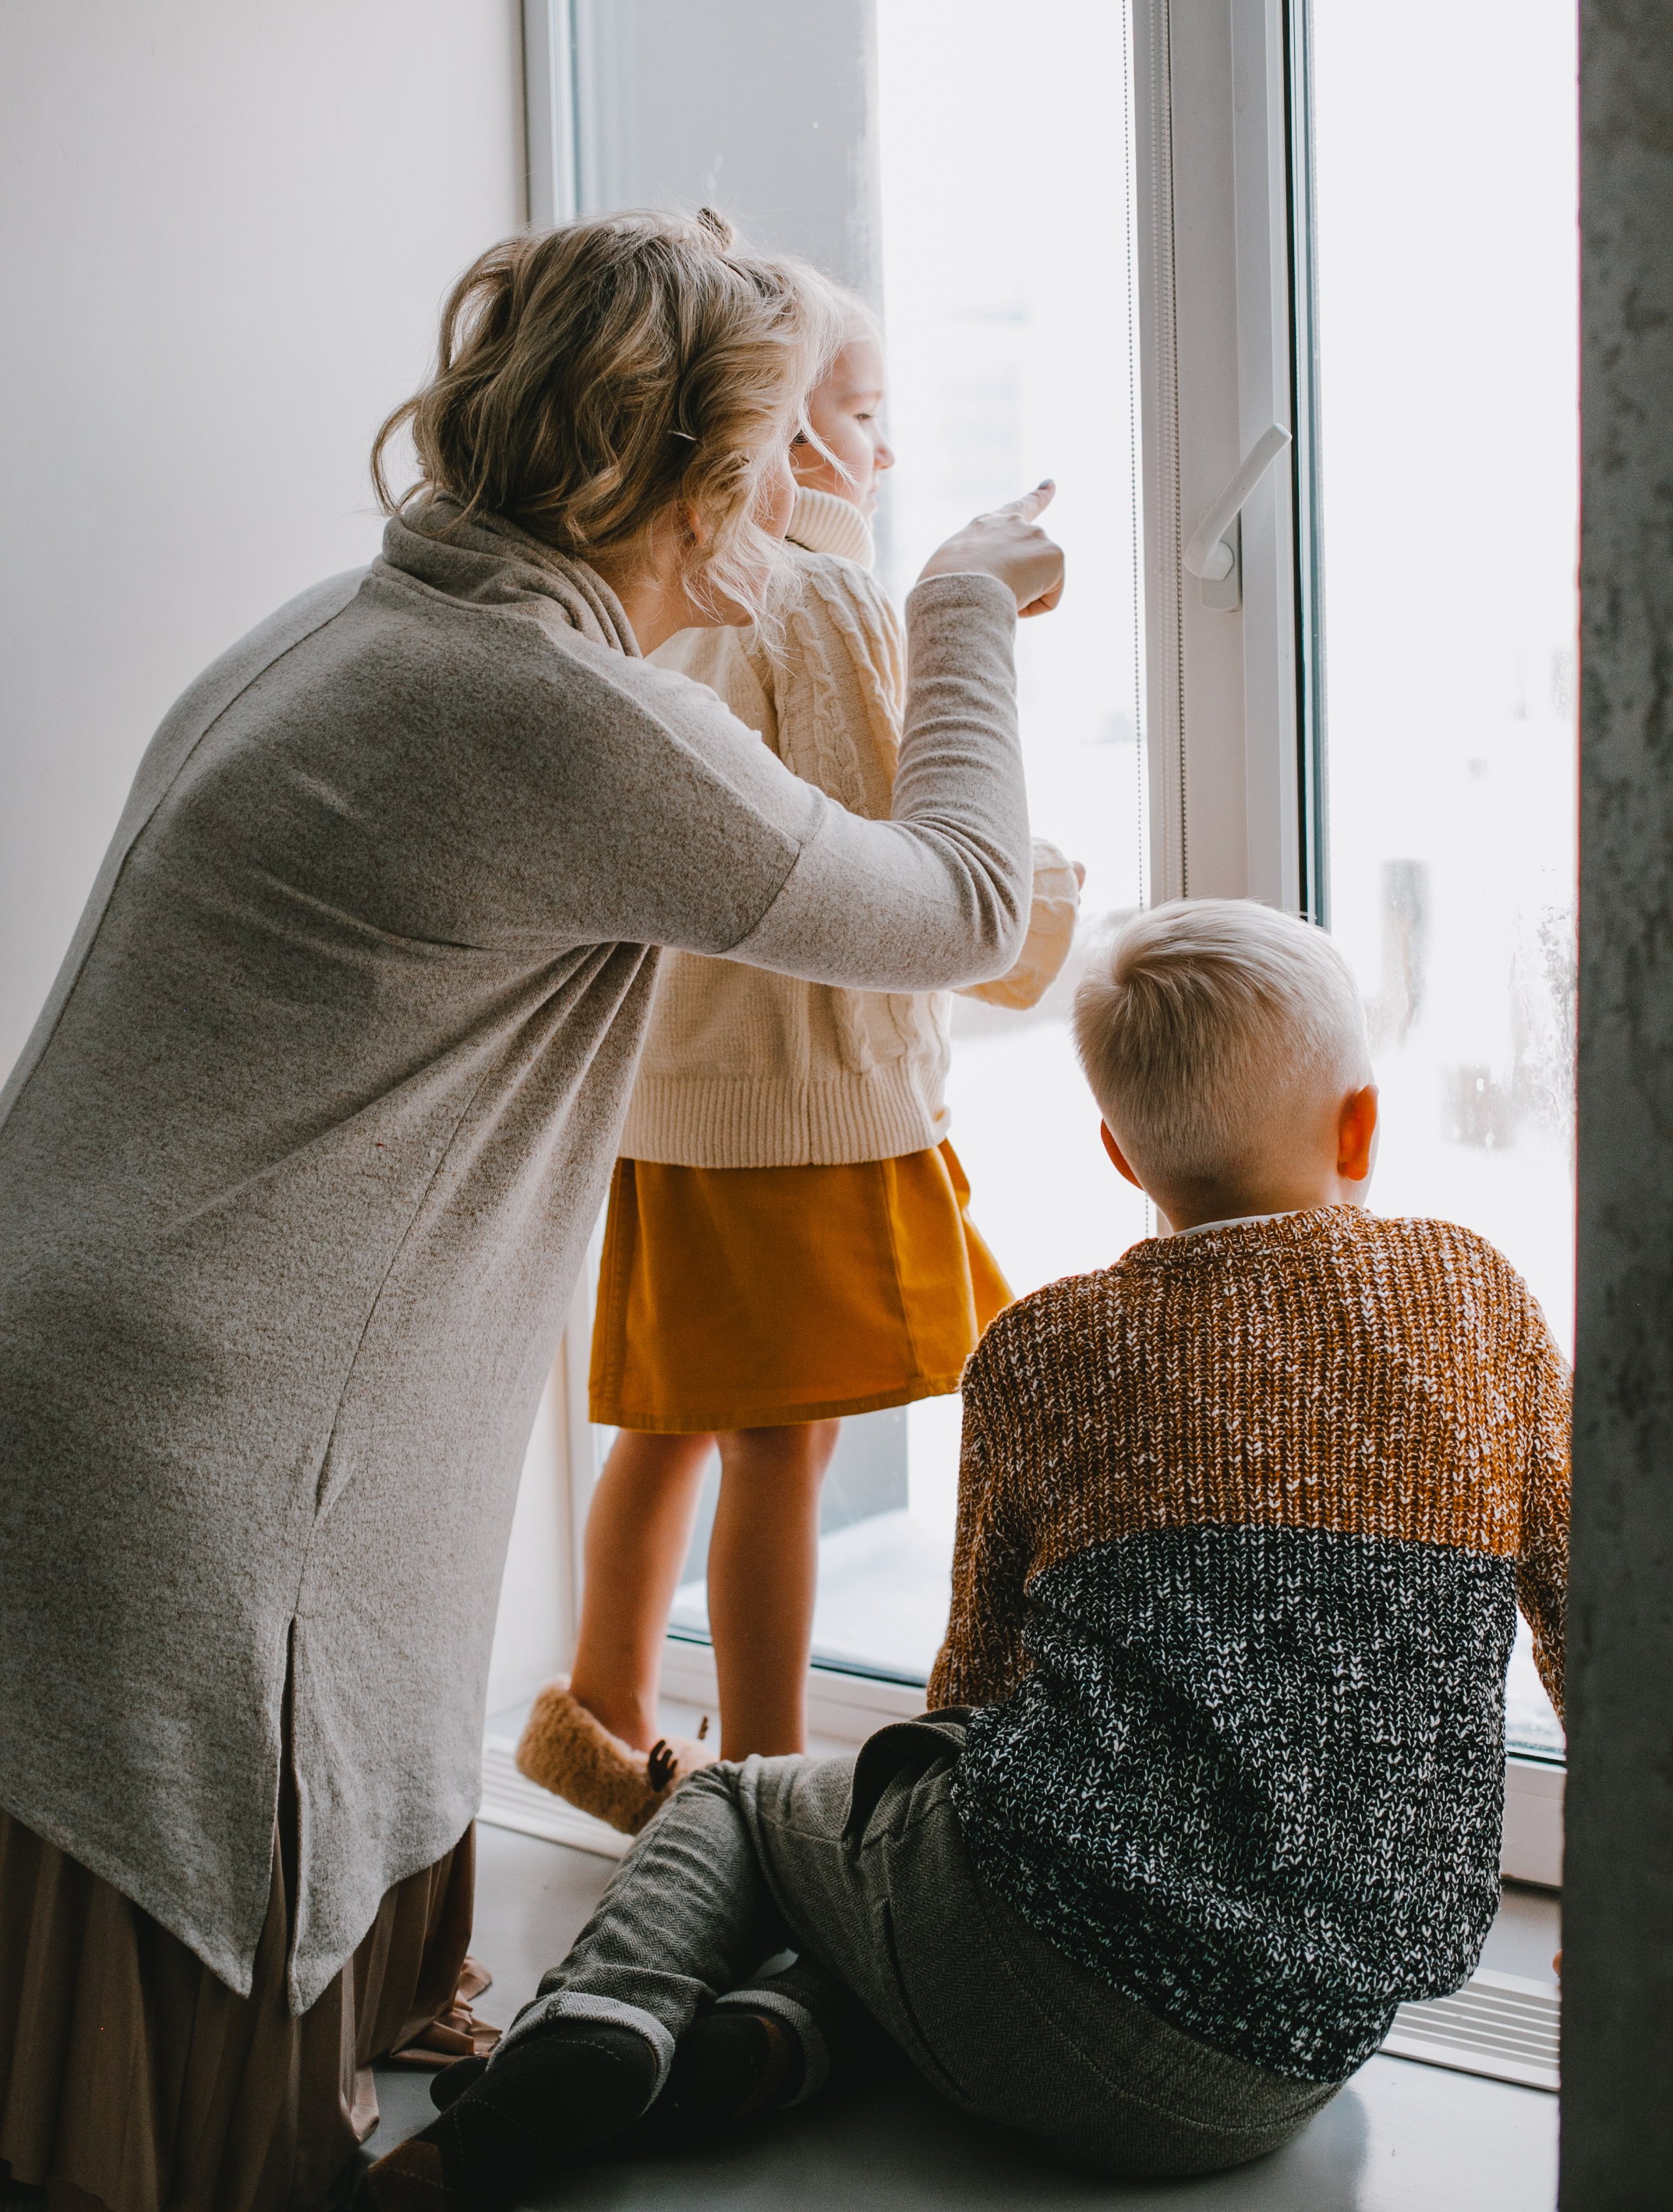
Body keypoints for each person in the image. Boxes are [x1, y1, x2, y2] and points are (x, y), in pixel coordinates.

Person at [0, 208, 1066, 2210]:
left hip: (76, 1350)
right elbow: (961, 912)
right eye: (774, 466)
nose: (790, 510)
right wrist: (965, 603)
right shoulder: (558, 714)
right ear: (685, 479)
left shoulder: (351, 622)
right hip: (183, 1431)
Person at [359, 897, 1570, 2205]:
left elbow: (974, 1691)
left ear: (1117, 1153)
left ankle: (602, 2023)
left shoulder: (1046, 1348)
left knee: (744, 1804)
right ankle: (776, 2046)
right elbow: (1585, 1608)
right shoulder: (1475, 1299)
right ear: (1359, 1125)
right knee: (933, 1932)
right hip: (1288, 2062)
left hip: (1019, 1979)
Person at [514, 296, 1079, 1822]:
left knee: (670, 1417)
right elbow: (892, 850)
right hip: (794, 1105)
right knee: (784, 1445)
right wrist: (1053, 909)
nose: (891, 446)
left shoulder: (670, 599)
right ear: (790, 435)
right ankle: (759, 1796)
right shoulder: (822, 597)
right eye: (871, 411)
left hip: (675, 1092)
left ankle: (605, 1715)